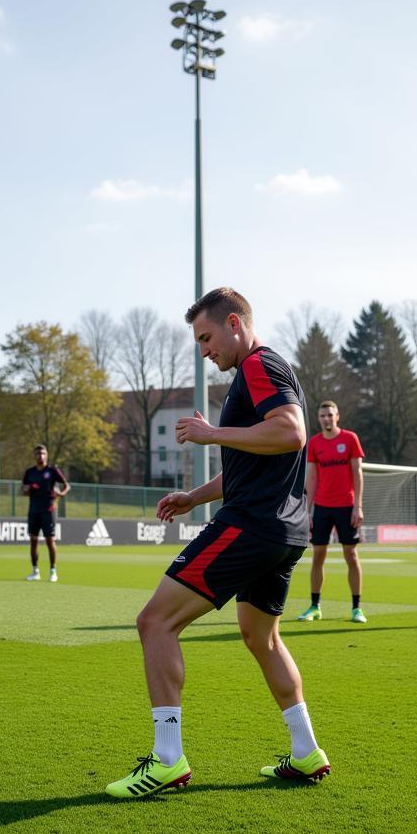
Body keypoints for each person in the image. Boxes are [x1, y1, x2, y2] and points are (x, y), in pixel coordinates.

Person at [106, 287, 329, 800]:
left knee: (154, 622)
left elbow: (292, 434)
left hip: (251, 526)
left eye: (207, 338)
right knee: (262, 638)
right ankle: (306, 751)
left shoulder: (258, 367)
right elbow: (257, 458)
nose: (205, 351)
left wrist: (211, 434)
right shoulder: (266, 373)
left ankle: (167, 760)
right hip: (284, 529)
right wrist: (195, 496)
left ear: (234, 323)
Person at [298, 400, 367, 623]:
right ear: (318, 419)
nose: (326, 419)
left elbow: (357, 473)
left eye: (330, 415)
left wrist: (357, 506)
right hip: (322, 507)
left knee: (351, 555)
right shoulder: (314, 443)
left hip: (346, 507)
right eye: (322, 416)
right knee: (318, 556)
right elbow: (312, 477)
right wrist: (306, 511)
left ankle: (357, 608)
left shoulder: (350, 439)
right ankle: (314, 606)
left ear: (337, 416)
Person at [21, 444, 69, 581]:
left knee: (50, 540)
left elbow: (67, 485)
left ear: (46, 455)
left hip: (48, 510)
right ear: (34, 456)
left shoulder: (52, 471)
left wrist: (61, 493)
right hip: (34, 510)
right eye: (38, 454)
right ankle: (35, 571)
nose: (40, 456)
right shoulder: (29, 472)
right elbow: (23, 490)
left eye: (42, 454)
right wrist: (28, 489)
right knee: (33, 541)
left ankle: (53, 571)